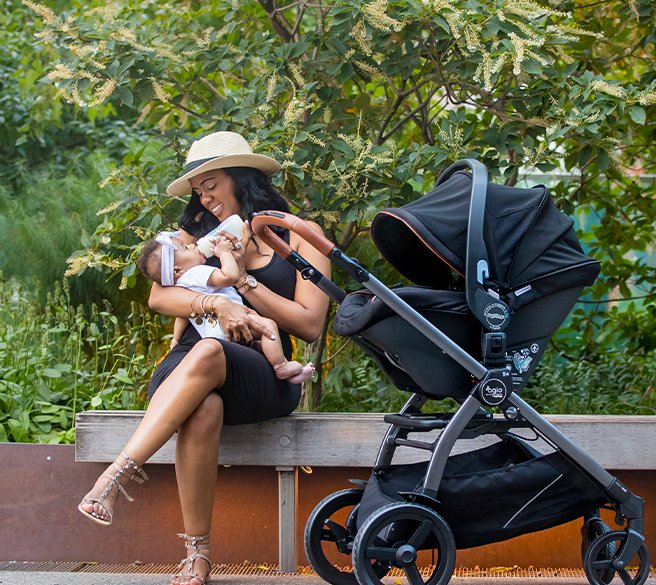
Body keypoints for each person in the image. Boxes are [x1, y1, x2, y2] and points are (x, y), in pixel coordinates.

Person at [77, 131, 330, 585]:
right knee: (204, 406)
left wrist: (246, 284)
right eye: (198, 190)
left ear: (241, 178)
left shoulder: (298, 235)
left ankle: (117, 476)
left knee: (211, 350)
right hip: (185, 369)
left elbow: (310, 323)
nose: (205, 198)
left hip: (263, 371)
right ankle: (198, 554)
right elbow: (159, 297)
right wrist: (216, 304)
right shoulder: (192, 236)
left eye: (211, 185)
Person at [136, 231, 315, 384]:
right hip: (228, 325)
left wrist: (175, 340)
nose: (192, 246)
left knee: (258, 346)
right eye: (185, 248)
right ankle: (281, 366)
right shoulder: (197, 273)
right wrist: (224, 253)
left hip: (216, 336)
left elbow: (183, 316)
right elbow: (230, 276)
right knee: (268, 327)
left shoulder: (182, 287)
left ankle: (294, 374)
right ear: (177, 270)